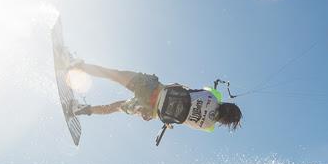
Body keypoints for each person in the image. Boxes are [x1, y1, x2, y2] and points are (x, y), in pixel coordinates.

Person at [70, 62, 242, 132]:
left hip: (153, 89)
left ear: (227, 104)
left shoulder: (214, 96)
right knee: (115, 107)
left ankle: (75, 64)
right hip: (150, 110)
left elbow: (198, 91)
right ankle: (81, 109)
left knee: (113, 75)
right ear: (225, 122)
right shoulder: (209, 127)